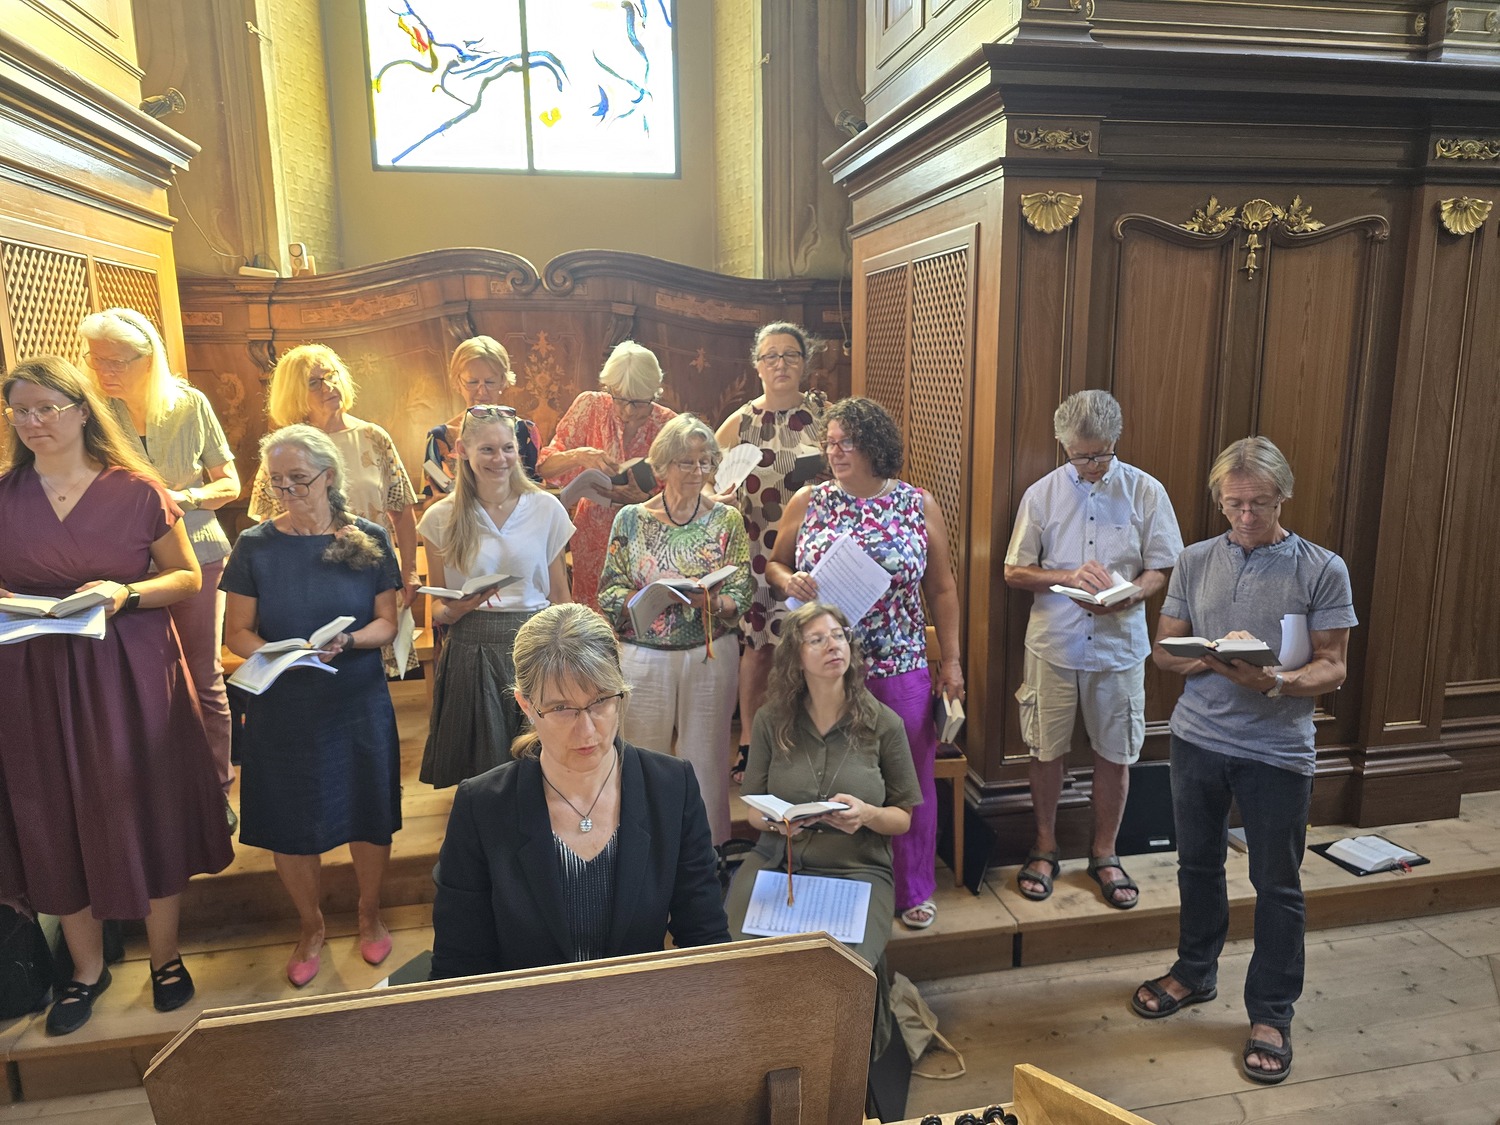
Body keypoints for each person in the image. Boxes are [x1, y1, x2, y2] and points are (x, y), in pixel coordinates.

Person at [0, 358, 232, 1035]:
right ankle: (85, 968)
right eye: (20, 411)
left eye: (46, 408)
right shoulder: (5, 495)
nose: (33, 421)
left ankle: (165, 957)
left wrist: (123, 592)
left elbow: (186, 577)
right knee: (52, 811)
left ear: (81, 411)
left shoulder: (136, 490)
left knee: (145, 801)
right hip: (34, 675)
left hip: (127, 669)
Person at [1129, 436, 1356, 1086]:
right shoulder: (1195, 559)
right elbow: (1163, 650)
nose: (1246, 516)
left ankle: (1271, 1013)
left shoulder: (1321, 567)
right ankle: (1195, 971)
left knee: (1277, 884)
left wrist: (1275, 682)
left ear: (1283, 496)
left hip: (1276, 751)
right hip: (1197, 738)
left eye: (1259, 503)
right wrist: (1206, 656)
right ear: (1219, 499)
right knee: (1197, 864)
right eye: (1233, 503)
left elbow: (1333, 665)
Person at [429, 603, 731, 978]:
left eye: (600, 701)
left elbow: (705, 939)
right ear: (526, 705)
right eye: (562, 708)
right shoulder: (482, 806)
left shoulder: (672, 787)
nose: (587, 731)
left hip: (637, 1005)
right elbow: (459, 963)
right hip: (528, 1010)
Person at [767, 397, 963, 931]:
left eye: (846, 442)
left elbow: (942, 588)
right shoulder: (810, 500)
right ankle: (832, 881)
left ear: (875, 446)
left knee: (907, 779)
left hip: (899, 662)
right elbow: (776, 565)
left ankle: (911, 887)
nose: (835, 452)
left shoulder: (916, 504)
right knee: (822, 773)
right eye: (829, 443)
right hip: (823, 665)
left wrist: (952, 662)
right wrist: (790, 581)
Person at [223, 424, 403, 987]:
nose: (286, 491)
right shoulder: (255, 546)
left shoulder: (368, 537)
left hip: (355, 695)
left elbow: (387, 622)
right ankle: (311, 925)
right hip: (284, 702)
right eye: (276, 481)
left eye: (298, 479)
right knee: (289, 819)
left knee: (368, 811)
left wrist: (348, 640)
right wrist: (280, 653)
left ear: (329, 476)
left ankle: (369, 913)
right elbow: (237, 634)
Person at [1003, 390, 1183, 908]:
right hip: (1053, 644)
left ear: (1115, 440)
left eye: (1101, 454)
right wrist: (1067, 576)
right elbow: (1014, 571)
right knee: (1045, 750)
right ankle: (1044, 847)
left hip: (1119, 645)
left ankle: (1105, 853)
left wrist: (1132, 594)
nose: (1092, 465)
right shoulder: (1042, 494)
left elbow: (1162, 567)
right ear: (1063, 445)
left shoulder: (1145, 491)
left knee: (1116, 753)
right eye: (1081, 456)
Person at [79, 308, 241, 814]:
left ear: (148, 359)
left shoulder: (190, 404)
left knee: (204, 676)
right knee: (144, 680)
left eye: (117, 361)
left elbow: (229, 484)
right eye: (97, 359)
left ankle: (216, 793)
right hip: (125, 565)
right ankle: (161, 798)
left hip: (201, 555)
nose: (104, 370)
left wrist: (178, 499)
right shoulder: (90, 411)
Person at [725, 603, 919, 977]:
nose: (833, 645)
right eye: (817, 640)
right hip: (778, 862)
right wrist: (777, 822)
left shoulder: (885, 723)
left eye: (838, 636)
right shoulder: (770, 720)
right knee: (739, 960)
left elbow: (903, 819)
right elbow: (754, 812)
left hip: (857, 868)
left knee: (842, 975)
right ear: (796, 658)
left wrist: (867, 815)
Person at [596, 415, 754, 845]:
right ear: (662, 465)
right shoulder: (631, 518)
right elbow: (608, 590)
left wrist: (713, 602)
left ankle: (709, 856)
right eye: (686, 462)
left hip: (709, 654)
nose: (698, 471)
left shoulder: (727, 520)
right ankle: (644, 851)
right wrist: (648, 597)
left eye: (706, 462)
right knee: (643, 760)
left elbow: (741, 589)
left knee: (706, 763)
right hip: (643, 655)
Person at [417, 405, 575, 788]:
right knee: (484, 776)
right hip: (472, 649)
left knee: (541, 767)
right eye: (486, 449)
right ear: (462, 450)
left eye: (507, 448)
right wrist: (454, 610)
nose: (499, 459)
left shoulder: (545, 508)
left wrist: (569, 660)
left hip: (536, 646)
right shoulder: (441, 517)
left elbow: (560, 596)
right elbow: (435, 610)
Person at [247, 344, 419, 673]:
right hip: (310, 579)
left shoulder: (373, 437)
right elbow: (269, 521)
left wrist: (409, 570)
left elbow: (401, 507)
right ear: (294, 394)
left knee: (371, 668)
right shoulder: (285, 448)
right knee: (317, 666)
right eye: (314, 382)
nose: (328, 386)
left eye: (332, 376)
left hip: (372, 575)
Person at [714, 322, 828, 785]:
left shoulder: (823, 414)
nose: (781, 364)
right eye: (771, 356)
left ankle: (807, 743)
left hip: (811, 553)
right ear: (757, 366)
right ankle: (749, 743)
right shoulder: (740, 422)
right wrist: (719, 495)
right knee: (758, 650)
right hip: (757, 550)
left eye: (790, 355)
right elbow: (707, 479)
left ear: (804, 362)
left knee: (810, 646)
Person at [536, 340, 676, 608]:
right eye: (620, 399)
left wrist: (642, 500)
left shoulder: (669, 425)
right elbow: (544, 466)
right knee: (590, 615)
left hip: (646, 541)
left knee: (637, 614)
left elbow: (683, 499)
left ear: (654, 392)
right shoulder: (590, 405)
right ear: (609, 388)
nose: (628, 411)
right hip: (591, 537)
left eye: (639, 402)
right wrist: (579, 455)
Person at [423, 335, 543, 497]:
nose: (482, 391)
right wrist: (439, 502)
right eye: (472, 382)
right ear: (458, 382)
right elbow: (428, 499)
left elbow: (537, 492)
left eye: (490, 382)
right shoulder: (438, 437)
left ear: (503, 381)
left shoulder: (525, 431)